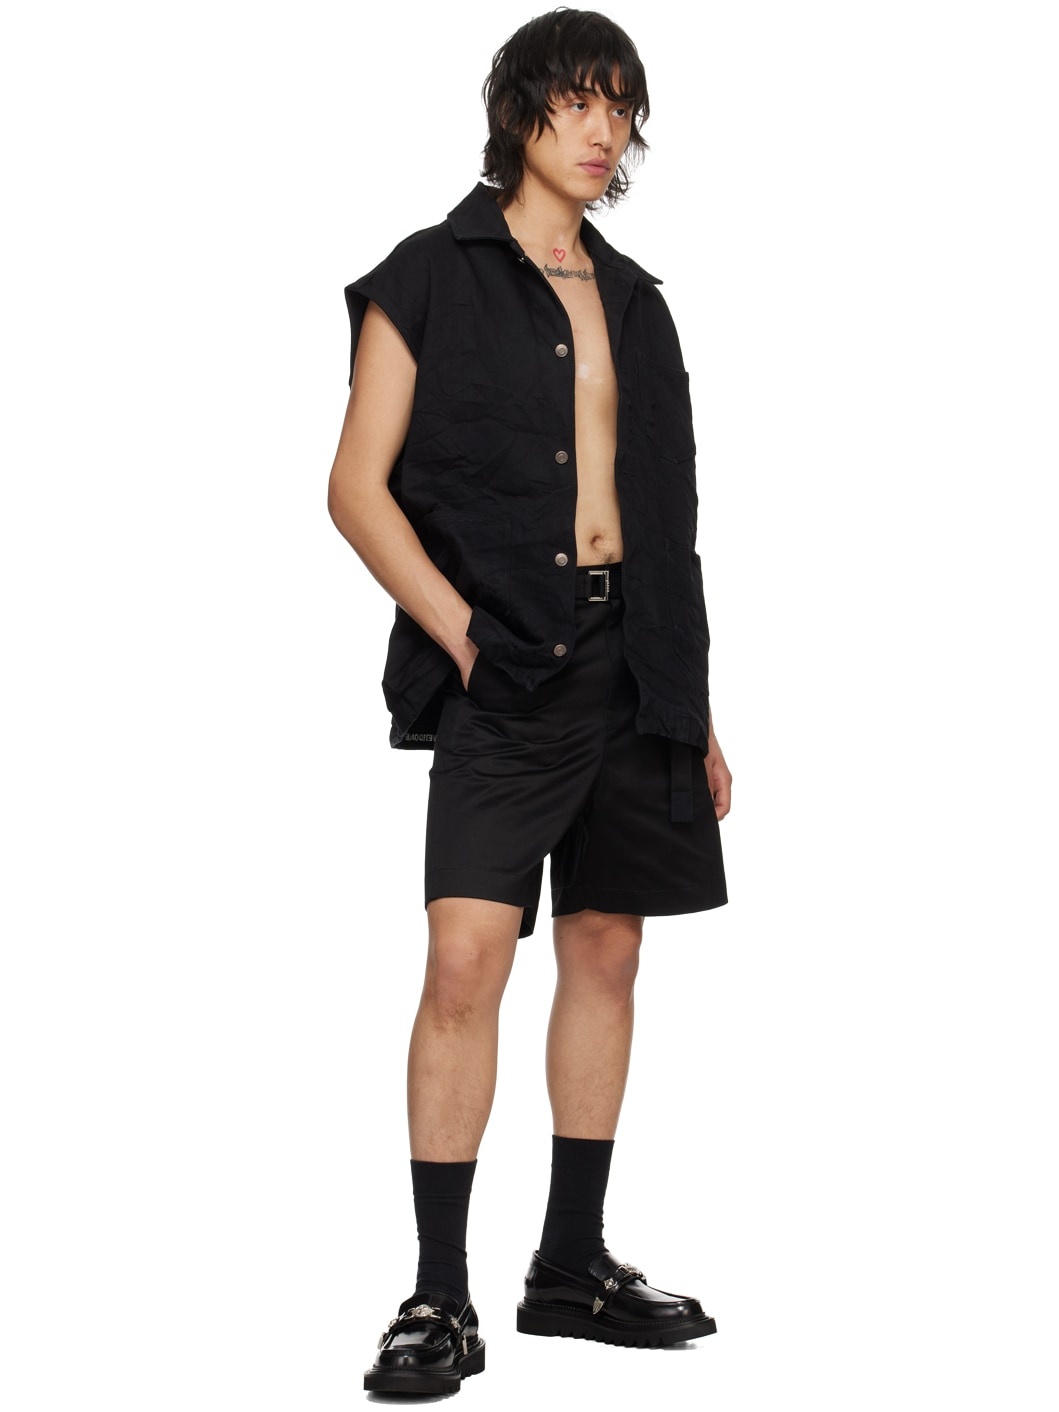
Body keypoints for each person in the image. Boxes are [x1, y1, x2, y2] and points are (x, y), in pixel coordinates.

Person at [327, 7, 731, 1396]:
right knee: (464, 964)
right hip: (506, 668)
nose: (603, 129)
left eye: (621, 107)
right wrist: (462, 636)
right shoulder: (427, 276)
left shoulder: (638, 301)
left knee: (607, 951)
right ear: (520, 113)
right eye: (578, 100)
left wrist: (692, 703)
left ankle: (569, 1266)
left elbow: (668, 521)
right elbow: (355, 489)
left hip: (638, 668)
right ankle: (439, 1296)